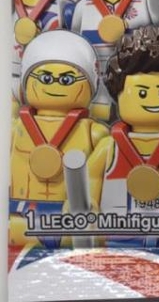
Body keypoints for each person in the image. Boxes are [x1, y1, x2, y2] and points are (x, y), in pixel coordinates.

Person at [88, 24, 159, 246]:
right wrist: (87, 205)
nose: (153, 100)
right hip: (120, 238)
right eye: (142, 93)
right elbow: (90, 179)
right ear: (118, 94)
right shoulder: (109, 148)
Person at [9, 30, 107, 248]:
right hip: (18, 214)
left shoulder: (93, 133)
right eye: (45, 78)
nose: (55, 85)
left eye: (67, 79)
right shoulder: (15, 130)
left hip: (68, 220)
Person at [70, 0, 154, 120]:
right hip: (97, 79)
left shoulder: (148, 2)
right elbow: (75, 44)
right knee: (98, 119)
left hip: (137, 80)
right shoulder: (83, 6)